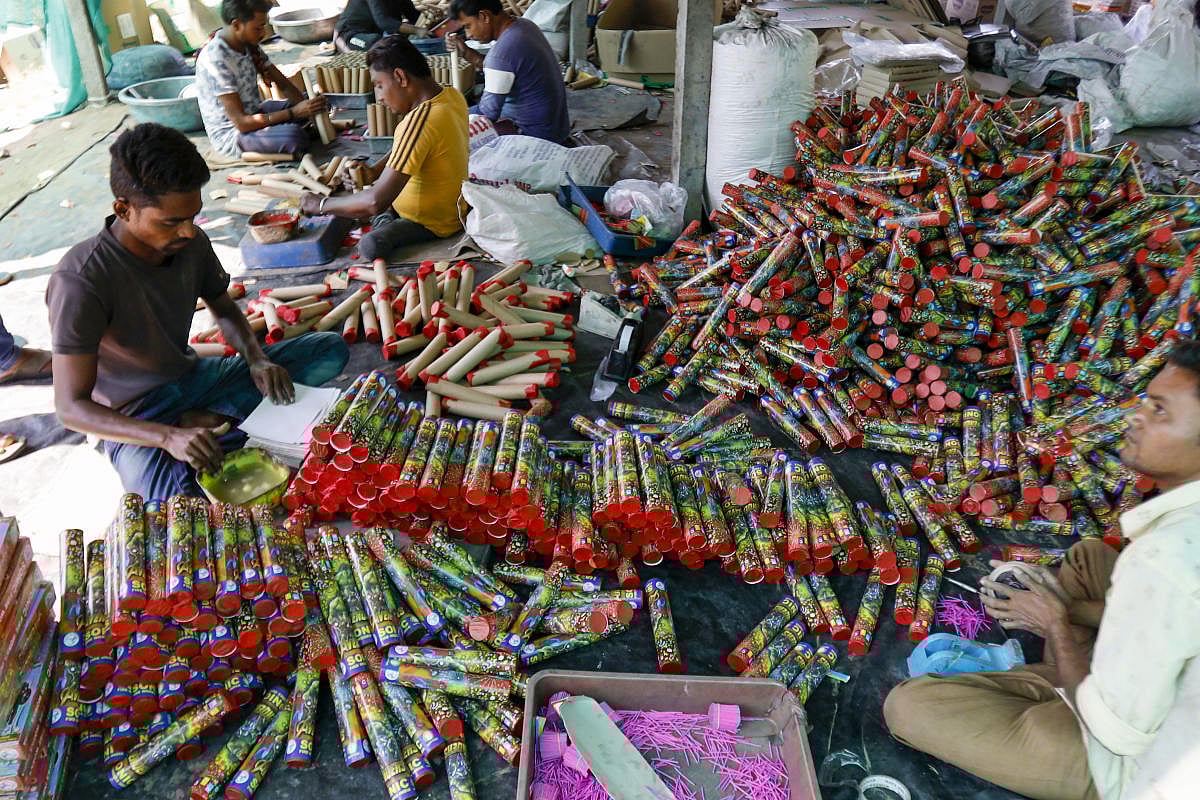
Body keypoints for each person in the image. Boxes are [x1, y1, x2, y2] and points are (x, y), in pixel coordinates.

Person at [883, 340, 1200, 800]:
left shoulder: (1165, 561)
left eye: (1160, 410)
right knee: (1091, 555)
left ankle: (1057, 687)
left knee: (909, 706)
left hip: (1139, 764)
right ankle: (1059, 678)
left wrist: (1055, 621)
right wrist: (1068, 607)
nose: (1136, 417)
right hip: (1163, 694)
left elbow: (1117, 734)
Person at [46, 123, 349, 502]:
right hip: (136, 414)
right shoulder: (81, 279)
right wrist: (166, 435)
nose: (188, 232)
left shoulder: (190, 242)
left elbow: (223, 306)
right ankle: (210, 426)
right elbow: (70, 409)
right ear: (123, 210)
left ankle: (209, 420)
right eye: (171, 221)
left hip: (194, 377)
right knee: (171, 503)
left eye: (193, 216)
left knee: (327, 349)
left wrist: (256, 360)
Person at [299, 36, 468, 261]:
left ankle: (384, 218)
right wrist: (375, 171)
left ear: (400, 77)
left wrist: (320, 204)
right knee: (363, 202)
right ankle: (382, 213)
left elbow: (374, 201)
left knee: (371, 244)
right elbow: (413, 148)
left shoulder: (420, 121)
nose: (378, 97)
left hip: (428, 223)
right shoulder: (451, 96)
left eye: (379, 85)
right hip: (451, 212)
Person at [195, 0, 329, 158]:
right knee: (294, 136)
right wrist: (293, 113)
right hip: (233, 134)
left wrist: (307, 110)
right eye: (258, 28)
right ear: (237, 25)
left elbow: (284, 85)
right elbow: (241, 123)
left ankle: (298, 127)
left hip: (256, 114)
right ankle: (295, 131)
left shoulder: (248, 44)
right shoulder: (216, 59)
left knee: (315, 102)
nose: (263, 33)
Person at [446, 0, 570, 144]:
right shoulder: (524, 26)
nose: (467, 35)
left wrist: (451, 115)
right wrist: (467, 53)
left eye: (468, 26)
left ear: (484, 16)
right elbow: (504, 67)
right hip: (557, 128)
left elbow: (487, 114)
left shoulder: (502, 53)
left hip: (537, 137)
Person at [335, 0, 427, 52]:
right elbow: (385, 23)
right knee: (380, 45)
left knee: (398, 42)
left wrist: (428, 22)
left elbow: (413, 15)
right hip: (349, 35)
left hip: (371, 33)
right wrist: (417, 30)